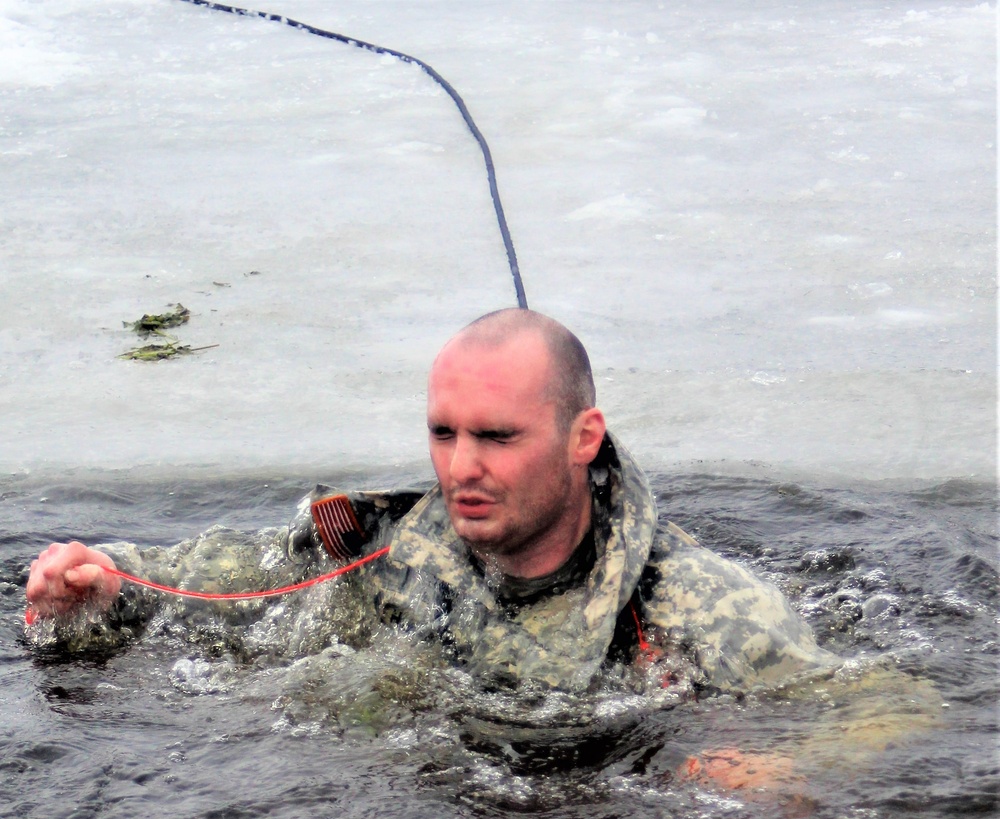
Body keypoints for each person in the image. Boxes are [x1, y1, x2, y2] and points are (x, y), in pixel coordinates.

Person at [27, 310, 935, 788]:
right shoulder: (390, 553)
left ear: (585, 438)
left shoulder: (699, 608)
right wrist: (104, 582)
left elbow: (897, 703)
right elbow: (237, 583)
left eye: (497, 438)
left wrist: (791, 765)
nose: (460, 469)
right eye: (443, 433)